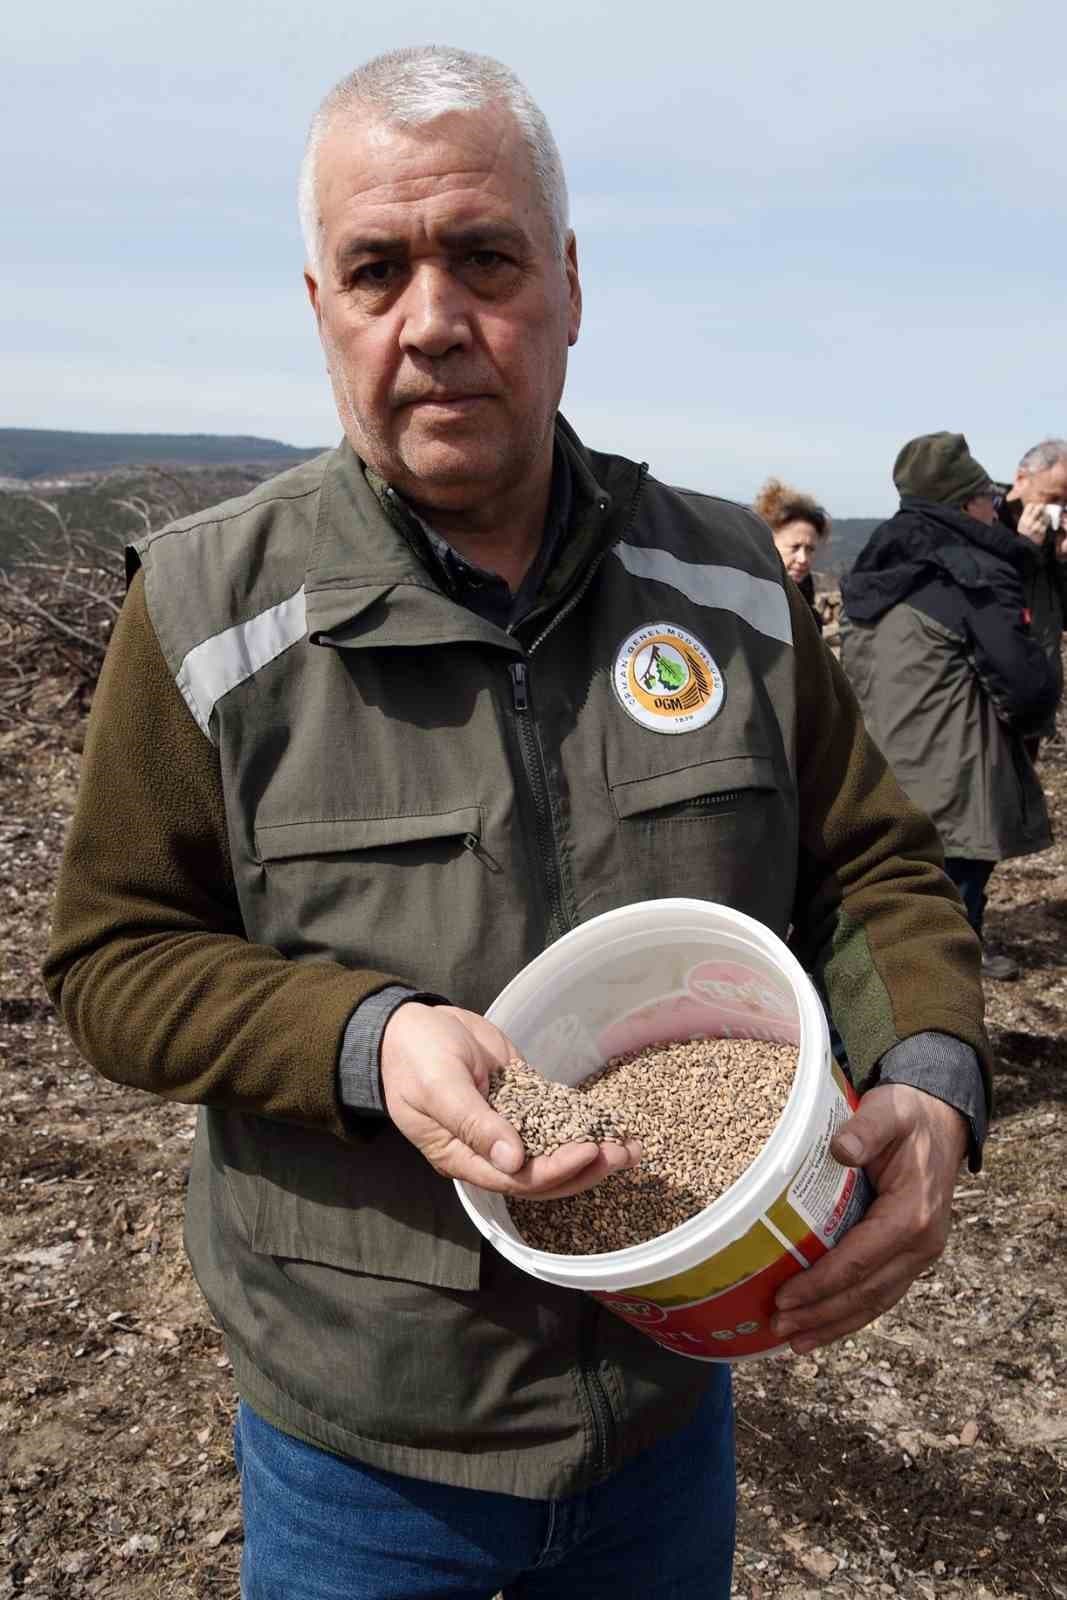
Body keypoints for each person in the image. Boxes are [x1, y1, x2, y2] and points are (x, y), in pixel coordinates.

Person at [45, 49, 992, 1600]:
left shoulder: (728, 584)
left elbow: (872, 864)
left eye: (481, 258)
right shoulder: (212, 609)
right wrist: (367, 1038)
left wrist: (933, 1079)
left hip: (665, 1407)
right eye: (375, 270)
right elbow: (113, 957)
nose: (431, 320)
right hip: (362, 1443)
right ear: (320, 308)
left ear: (564, 282)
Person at [840, 431, 1058, 984]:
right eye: (988, 494)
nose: (997, 503)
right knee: (955, 894)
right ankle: (945, 1002)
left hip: (885, 761)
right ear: (968, 503)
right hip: (954, 769)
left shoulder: (879, 560)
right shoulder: (974, 570)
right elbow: (1025, 683)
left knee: (903, 898)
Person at [995, 438, 1067, 754]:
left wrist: (1063, 560)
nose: (1057, 509)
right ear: (1021, 479)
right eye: (1051, 497)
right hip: (995, 694)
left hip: (1037, 686)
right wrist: (1023, 547)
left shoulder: (1054, 531)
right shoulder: (985, 524)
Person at [754, 477, 831, 630]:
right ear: (767, 543)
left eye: (810, 549)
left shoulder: (807, 612)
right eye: (794, 547)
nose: (803, 559)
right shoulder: (746, 608)